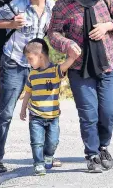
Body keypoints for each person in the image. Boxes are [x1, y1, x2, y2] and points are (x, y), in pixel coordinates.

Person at [47, 0, 113, 173]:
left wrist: (108, 25)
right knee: (88, 114)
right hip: (80, 68)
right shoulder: (62, 6)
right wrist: (67, 43)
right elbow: (52, 34)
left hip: (108, 63)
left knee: (109, 112)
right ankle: (92, 154)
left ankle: (103, 147)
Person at [0, 0, 57, 173]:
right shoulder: (18, 4)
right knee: (6, 113)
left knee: (44, 112)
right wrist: (11, 24)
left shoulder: (53, 7)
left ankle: (45, 157)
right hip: (14, 62)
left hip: (38, 67)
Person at [20, 38, 81, 175]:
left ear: (40, 56)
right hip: (35, 116)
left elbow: (65, 65)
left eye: (30, 59)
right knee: (36, 142)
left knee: (53, 142)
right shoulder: (32, 74)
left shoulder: (55, 71)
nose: (28, 62)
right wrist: (23, 109)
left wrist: (73, 57)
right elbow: (28, 93)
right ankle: (38, 163)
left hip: (53, 116)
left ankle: (49, 156)